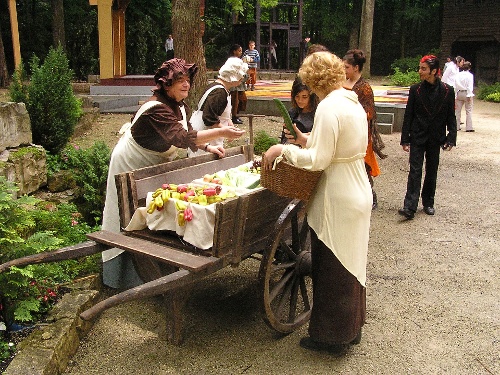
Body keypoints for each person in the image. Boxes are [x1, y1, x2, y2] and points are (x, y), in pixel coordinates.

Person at [263, 51, 372, 355]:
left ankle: (331, 337)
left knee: (332, 267)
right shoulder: (351, 101)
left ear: (313, 80)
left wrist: (281, 151)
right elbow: (339, 147)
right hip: (358, 188)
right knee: (353, 264)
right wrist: (305, 139)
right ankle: (352, 329)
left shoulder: (327, 107)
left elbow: (317, 161)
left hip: (338, 195)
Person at [101, 58, 245, 289]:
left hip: (151, 166)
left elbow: (186, 132)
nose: (186, 84)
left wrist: (208, 147)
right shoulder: (156, 109)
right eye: (180, 80)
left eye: (187, 80)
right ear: (166, 85)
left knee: (149, 209)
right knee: (123, 214)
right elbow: (183, 138)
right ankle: (120, 275)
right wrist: (223, 132)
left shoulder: (180, 106)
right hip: (129, 164)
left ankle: (151, 269)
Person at [398, 55, 457, 220]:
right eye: (420, 68)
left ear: (434, 71)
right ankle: (410, 206)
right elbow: (408, 115)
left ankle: (428, 202)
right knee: (415, 171)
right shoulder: (415, 90)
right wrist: (405, 138)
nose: (420, 71)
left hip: (435, 137)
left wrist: (451, 137)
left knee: (432, 170)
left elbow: (451, 116)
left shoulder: (447, 90)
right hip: (418, 135)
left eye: (423, 69)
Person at [343, 49, 387, 209]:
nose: (344, 70)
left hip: (360, 134)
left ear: (356, 67)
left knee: (362, 166)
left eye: (346, 67)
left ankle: (370, 195)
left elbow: (369, 113)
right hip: (344, 132)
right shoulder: (342, 84)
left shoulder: (364, 87)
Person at [188, 56, 248, 157]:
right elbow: (209, 118)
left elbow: (223, 114)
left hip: (211, 139)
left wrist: (230, 126)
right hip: (206, 140)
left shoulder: (220, 88)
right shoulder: (219, 93)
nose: (242, 79)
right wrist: (226, 132)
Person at [280, 77, 319, 144]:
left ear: (312, 96)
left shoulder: (319, 113)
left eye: (304, 97)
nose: (300, 100)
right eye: (297, 96)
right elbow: (284, 140)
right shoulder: (292, 113)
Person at [228, 44, 248, 125]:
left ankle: (237, 115)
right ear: (234, 51)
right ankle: (234, 116)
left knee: (242, 100)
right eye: (239, 51)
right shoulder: (231, 61)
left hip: (240, 84)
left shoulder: (239, 61)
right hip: (234, 84)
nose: (240, 52)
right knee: (235, 101)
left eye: (241, 51)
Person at [454, 61, 475, 132]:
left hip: (459, 92)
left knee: (457, 111)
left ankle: (456, 126)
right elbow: (470, 86)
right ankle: (469, 127)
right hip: (466, 93)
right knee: (468, 110)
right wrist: (469, 94)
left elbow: (456, 84)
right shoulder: (470, 75)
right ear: (469, 68)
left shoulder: (458, 75)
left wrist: (455, 94)